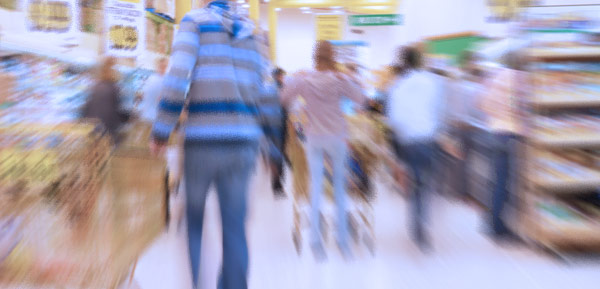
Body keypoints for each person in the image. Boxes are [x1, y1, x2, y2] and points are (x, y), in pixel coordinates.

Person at [150, 1, 281, 288]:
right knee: (234, 227)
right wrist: (273, 149)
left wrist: (161, 130)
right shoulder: (252, 34)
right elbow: (268, 94)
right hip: (244, 143)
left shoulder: (194, 22)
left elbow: (177, 76)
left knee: (193, 221)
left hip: (202, 142)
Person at [281, 41, 367, 260]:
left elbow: (283, 98)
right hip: (337, 137)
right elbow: (362, 100)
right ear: (333, 56)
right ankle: (342, 241)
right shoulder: (339, 80)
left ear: (314, 56)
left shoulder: (305, 80)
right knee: (339, 187)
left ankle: (316, 242)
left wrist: (294, 78)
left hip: (314, 138)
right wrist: (349, 78)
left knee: (316, 186)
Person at [387, 46, 444, 251]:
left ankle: (415, 226)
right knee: (425, 184)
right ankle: (421, 228)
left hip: (408, 141)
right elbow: (439, 111)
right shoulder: (432, 82)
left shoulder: (397, 86)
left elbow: (394, 119)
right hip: (428, 139)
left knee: (413, 182)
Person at [480, 51, 525, 242]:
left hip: (495, 132)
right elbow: (518, 106)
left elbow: (483, 103)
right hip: (511, 134)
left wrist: (497, 116)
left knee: (496, 181)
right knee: (507, 184)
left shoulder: (496, 76)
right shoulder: (519, 79)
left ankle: (491, 222)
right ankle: (500, 227)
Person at [448, 51, 486, 200]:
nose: (475, 65)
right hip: (464, 127)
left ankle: (465, 192)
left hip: (470, 126)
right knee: (462, 161)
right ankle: (462, 192)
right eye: (474, 62)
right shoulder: (464, 83)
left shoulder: (470, 82)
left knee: (465, 161)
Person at [82, 56, 129, 141]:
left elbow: (86, 108)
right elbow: (117, 111)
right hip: (106, 131)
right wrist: (129, 117)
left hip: (92, 128)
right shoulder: (114, 88)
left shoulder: (96, 86)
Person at [270, 67, 288, 198]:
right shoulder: (279, 88)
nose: (282, 77)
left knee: (278, 154)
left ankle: (278, 184)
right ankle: (277, 185)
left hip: (277, 124)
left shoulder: (272, 88)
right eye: (281, 75)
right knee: (279, 155)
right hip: (279, 124)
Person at [139, 57, 168, 122]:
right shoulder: (154, 79)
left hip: (149, 115)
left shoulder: (151, 78)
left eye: (164, 66)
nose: (163, 68)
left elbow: (142, 95)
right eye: (162, 66)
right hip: (153, 116)